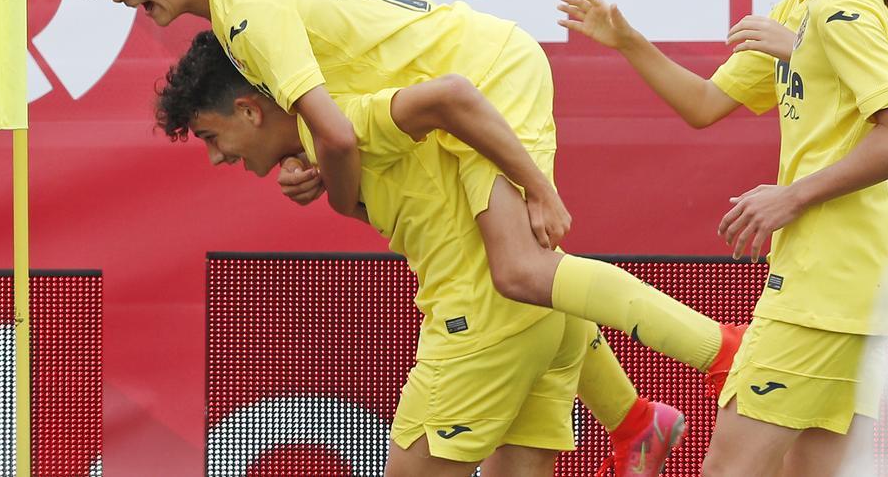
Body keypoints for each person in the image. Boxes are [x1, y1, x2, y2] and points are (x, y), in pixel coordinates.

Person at [58, 0, 744, 415]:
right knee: (521, 283)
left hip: (485, 73)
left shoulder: (246, 12)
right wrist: (310, 167)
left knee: (520, 271)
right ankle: (631, 420)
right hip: (465, 84)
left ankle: (721, 348)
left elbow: (332, 131)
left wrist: (343, 189)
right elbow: (322, 128)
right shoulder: (243, 2)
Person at [558, 0, 888, 476]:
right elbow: (705, 105)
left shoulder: (840, 11)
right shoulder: (842, 1)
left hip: (823, 288)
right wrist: (628, 40)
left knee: (729, 469)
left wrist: (792, 196)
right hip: (875, 284)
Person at [158, 30, 682, 475]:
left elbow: (447, 98)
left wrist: (541, 190)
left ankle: (714, 352)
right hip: (549, 319)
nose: (215, 156)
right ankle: (634, 418)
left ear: (249, 109)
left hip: (482, 322)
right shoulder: (348, 122)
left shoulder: (357, 120)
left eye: (210, 135)